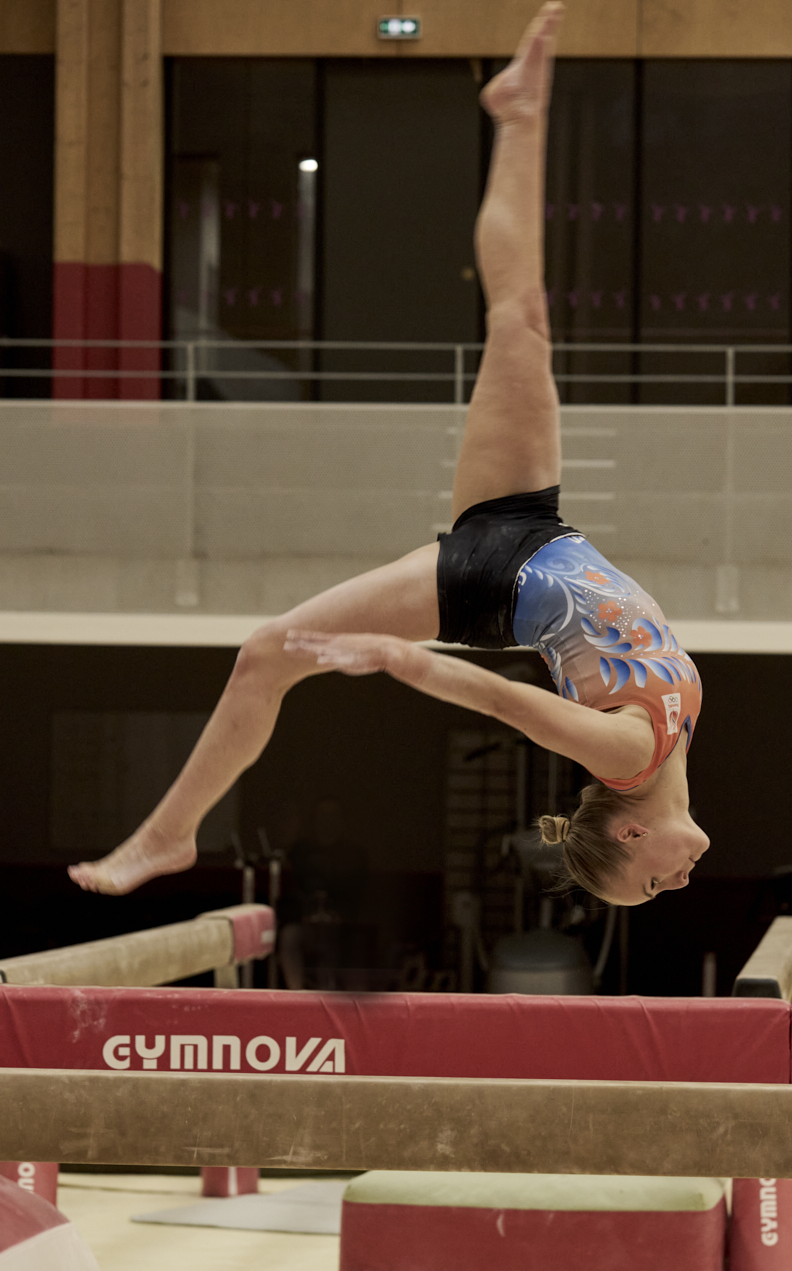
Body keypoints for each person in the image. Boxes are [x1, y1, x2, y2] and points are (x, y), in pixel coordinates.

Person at [69, 2, 708, 908]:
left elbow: (502, 705)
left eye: (649, 885)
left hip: (490, 578)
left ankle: (167, 836)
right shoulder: (672, 741)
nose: (677, 884)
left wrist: (403, 660)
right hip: (529, 526)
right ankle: (520, 116)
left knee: (265, 654)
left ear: (633, 829)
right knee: (519, 316)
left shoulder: (628, 758)